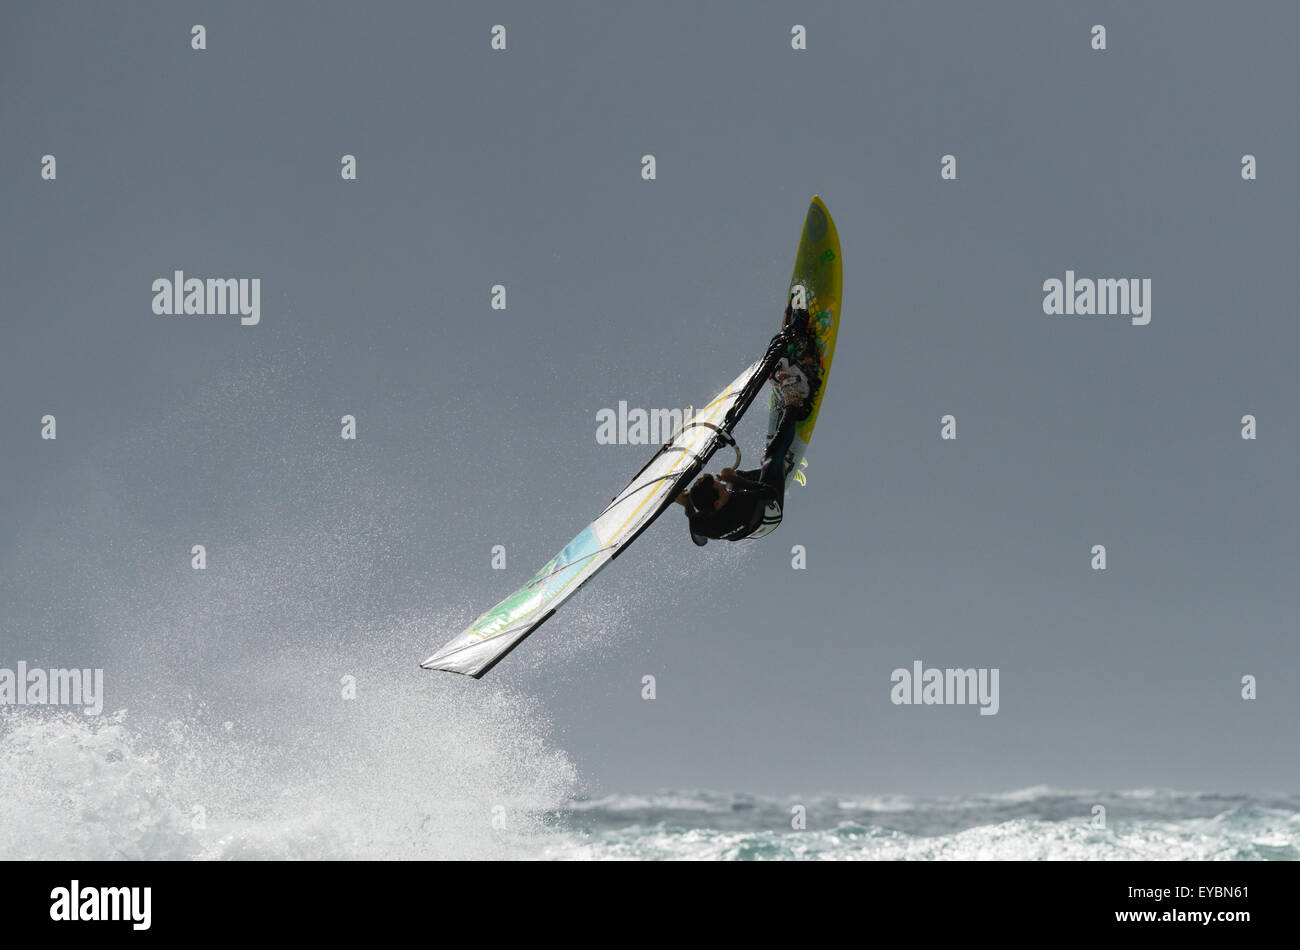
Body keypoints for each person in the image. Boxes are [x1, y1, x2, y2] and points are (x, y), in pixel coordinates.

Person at [674, 305, 821, 545]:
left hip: (743, 523)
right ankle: (795, 403)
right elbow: (769, 493)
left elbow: (698, 538)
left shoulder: (702, 522)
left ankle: (714, 489)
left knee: (734, 478)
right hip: (768, 514)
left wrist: (686, 504)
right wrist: (737, 481)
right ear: (718, 504)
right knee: (773, 459)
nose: (722, 484)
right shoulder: (742, 504)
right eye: (720, 489)